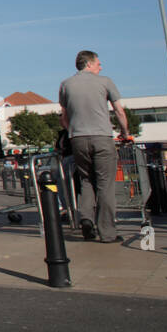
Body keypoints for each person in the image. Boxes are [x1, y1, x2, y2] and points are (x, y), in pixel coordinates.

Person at [58, 50, 131, 243]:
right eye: (98, 63)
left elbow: (63, 117)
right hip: (101, 136)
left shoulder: (66, 84)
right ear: (89, 64)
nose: (101, 66)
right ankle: (107, 232)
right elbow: (119, 111)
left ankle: (86, 221)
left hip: (78, 139)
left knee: (86, 180)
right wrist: (125, 133)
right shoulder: (105, 82)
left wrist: (72, 131)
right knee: (105, 184)